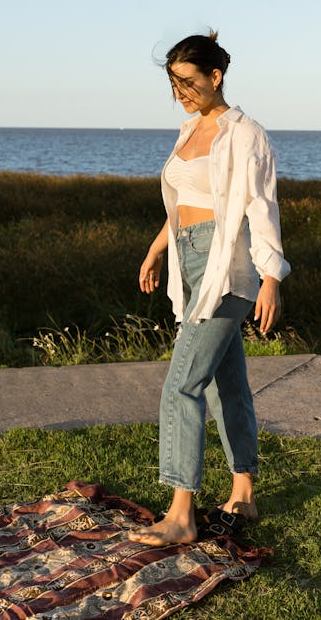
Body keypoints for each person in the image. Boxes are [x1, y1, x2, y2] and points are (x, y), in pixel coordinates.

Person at [129, 31, 290, 546]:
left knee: (182, 384)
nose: (181, 92)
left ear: (215, 76)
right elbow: (181, 206)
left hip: (230, 271)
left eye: (188, 82)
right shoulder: (187, 131)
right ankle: (243, 490)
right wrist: (157, 249)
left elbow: (260, 208)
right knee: (227, 385)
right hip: (188, 258)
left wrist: (270, 279)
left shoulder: (246, 134)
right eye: (173, 83)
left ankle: (181, 514)